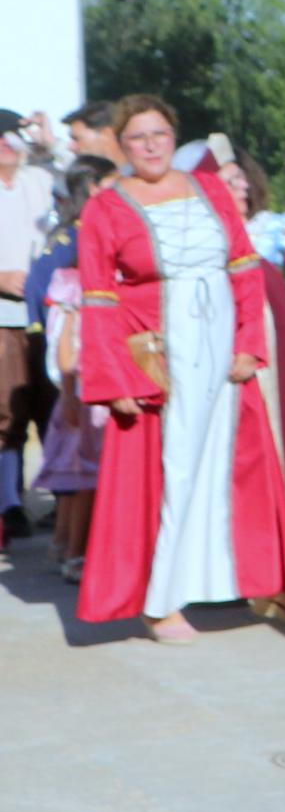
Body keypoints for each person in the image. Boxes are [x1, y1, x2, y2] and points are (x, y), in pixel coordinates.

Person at [73, 99, 285, 642]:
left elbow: (246, 268)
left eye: (160, 133)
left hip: (221, 342)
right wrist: (115, 380)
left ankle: (234, 580)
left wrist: (249, 341)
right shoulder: (107, 208)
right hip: (161, 352)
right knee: (172, 469)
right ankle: (161, 602)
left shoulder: (210, 191)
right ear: (121, 145)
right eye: (139, 137)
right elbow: (98, 298)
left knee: (226, 463)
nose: (152, 144)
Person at [33, 161, 105, 573]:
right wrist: (68, 390)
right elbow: (64, 346)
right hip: (79, 389)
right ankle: (75, 552)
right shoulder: (74, 283)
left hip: (79, 389)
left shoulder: (74, 280)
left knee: (76, 478)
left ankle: (62, 544)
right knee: (82, 482)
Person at [0, 110, 52, 546]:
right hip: (3, 319)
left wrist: (46, 140)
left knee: (52, 407)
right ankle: (8, 504)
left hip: (47, 314)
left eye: (9, 135)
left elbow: (88, 179)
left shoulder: (40, 180)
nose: (4, 143)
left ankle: (62, 500)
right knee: (7, 413)